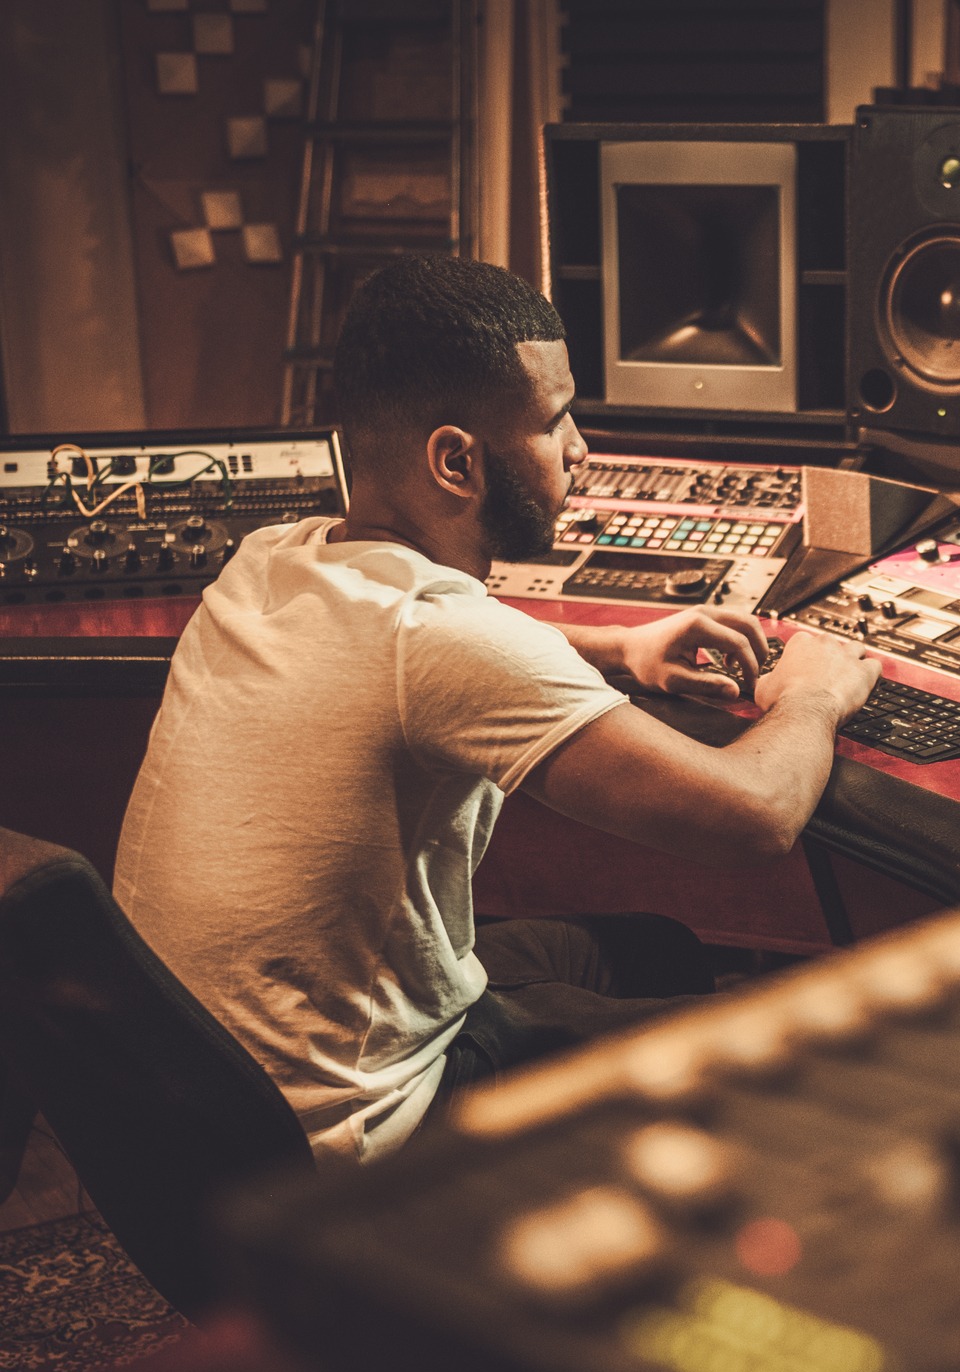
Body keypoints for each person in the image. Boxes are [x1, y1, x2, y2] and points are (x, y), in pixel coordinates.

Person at [112, 255, 879, 1165]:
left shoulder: (272, 558)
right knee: (807, 1052)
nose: (582, 448)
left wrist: (617, 645)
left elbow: (412, 653)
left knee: (654, 950)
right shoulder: (444, 642)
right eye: (556, 422)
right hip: (349, 1137)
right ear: (456, 460)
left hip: (194, 1102)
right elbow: (752, 819)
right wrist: (814, 694)